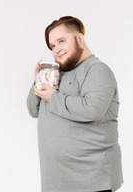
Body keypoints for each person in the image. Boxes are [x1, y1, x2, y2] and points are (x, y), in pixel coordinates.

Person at [27, 16, 123, 192]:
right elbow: (34, 110)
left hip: (91, 181)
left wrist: (52, 96)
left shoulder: (97, 70)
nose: (56, 50)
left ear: (79, 38)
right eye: (53, 46)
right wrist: (38, 82)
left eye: (61, 41)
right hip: (56, 180)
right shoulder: (56, 73)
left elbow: (92, 109)